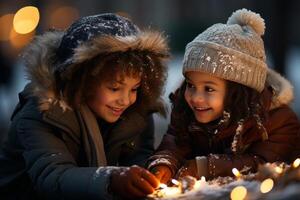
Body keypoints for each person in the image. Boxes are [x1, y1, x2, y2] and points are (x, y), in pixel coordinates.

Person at [0, 13, 169, 199]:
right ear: (83, 81)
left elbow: (138, 155)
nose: (126, 100)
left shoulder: (135, 111)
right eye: (114, 88)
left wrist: (150, 172)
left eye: (134, 89)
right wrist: (111, 179)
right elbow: (52, 176)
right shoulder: (43, 112)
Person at [146, 9, 300, 184]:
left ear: (239, 92)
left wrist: (205, 166)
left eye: (209, 89)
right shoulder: (186, 111)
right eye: (191, 85)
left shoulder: (277, 121)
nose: (196, 97)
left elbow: (264, 164)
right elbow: (175, 142)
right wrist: (164, 164)